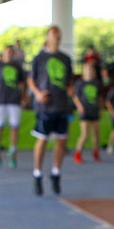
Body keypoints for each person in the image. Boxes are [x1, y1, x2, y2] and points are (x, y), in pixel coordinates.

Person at [28, 25, 73, 196]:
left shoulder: (66, 59)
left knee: (61, 142)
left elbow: (69, 80)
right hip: (46, 106)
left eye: (59, 34)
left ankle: (56, 173)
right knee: (43, 139)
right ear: (48, 37)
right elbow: (31, 79)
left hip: (62, 105)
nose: (57, 37)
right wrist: (38, 93)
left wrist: (70, 90)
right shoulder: (39, 58)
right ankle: (37, 174)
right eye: (54, 34)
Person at [0, 45, 25, 168]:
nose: (9, 53)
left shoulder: (17, 66)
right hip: (0, 100)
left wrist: (22, 97)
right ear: (3, 53)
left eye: (11, 52)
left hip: (14, 100)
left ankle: (13, 151)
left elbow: (22, 83)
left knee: (14, 127)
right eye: (7, 51)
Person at [73, 62, 102, 164]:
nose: (89, 71)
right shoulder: (79, 83)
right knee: (84, 134)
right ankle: (78, 154)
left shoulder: (96, 83)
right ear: (83, 71)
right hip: (84, 111)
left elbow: (99, 98)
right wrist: (80, 107)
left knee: (96, 134)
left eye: (91, 69)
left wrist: (100, 109)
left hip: (94, 110)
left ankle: (96, 153)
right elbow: (75, 97)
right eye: (87, 69)